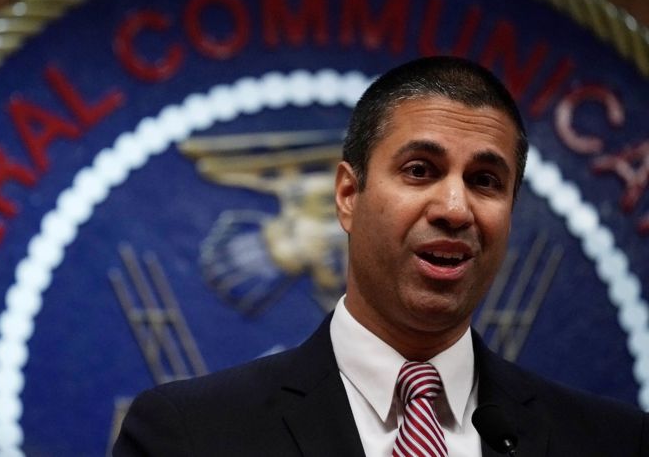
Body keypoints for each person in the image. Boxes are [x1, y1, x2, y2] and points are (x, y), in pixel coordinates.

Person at [113, 57, 649, 456]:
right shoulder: (189, 436)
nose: (455, 208)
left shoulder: (615, 444)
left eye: (486, 181)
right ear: (348, 196)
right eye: (420, 170)